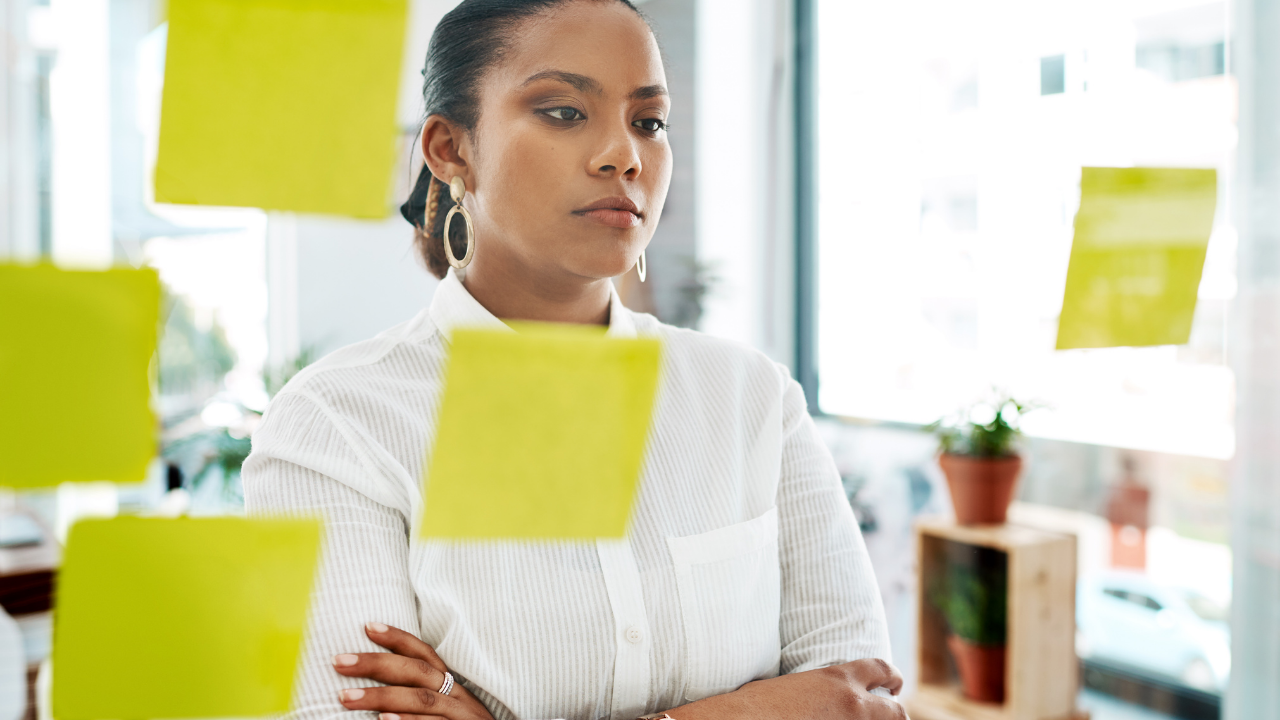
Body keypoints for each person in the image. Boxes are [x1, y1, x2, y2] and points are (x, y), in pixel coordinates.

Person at [242, 1, 904, 718]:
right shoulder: (336, 427)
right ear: (450, 149)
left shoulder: (753, 398)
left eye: (648, 121)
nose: (624, 155)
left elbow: (860, 700)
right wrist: (750, 710)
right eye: (563, 112)